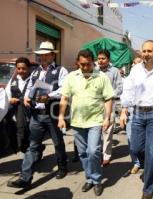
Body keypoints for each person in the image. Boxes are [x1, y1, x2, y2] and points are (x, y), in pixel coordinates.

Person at [7, 41, 68, 188]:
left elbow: (64, 90)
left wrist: (50, 96)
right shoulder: (35, 71)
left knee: (58, 143)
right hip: (36, 114)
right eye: (41, 55)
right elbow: (29, 87)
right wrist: (27, 96)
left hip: (52, 113)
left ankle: (62, 166)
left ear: (53, 55)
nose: (43, 57)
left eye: (46, 54)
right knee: (33, 145)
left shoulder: (61, 70)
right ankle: (25, 178)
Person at [120, 40, 153, 199]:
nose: (146, 54)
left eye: (149, 51)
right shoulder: (135, 70)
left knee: (152, 151)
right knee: (136, 148)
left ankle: (148, 188)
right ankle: (149, 166)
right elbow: (128, 90)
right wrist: (124, 110)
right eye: (144, 51)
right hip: (137, 113)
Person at [58, 49, 114, 196]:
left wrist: (107, 117)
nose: (85, 67)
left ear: (92, 62)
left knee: (93, 151)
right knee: (83, 153)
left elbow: (108, 98)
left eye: (88, 64)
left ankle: (96, 180)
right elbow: (64, 98)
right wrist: (61, 117)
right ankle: (89, 177)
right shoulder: (71, 77)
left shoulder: (101, 77)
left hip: (96, 120)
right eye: (82, 64)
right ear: (77, 62)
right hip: (77, 122)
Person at [95, 49, 122, 167]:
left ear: (108, 59)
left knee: (107, 131)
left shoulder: (115, 71)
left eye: (103, 58)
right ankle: (96, 153)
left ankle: (106, 156)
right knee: (95, 130)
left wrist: (108, 96)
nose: (100, 61)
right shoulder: (93, 71)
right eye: (99, 58)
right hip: (95, 106)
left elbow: (120, 88)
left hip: (109, 104)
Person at [5, 57, 32, 153]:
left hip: (29, 115)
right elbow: (6, 95)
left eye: (23, 68)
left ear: (29, 68)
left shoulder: (32, 80)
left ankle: (31, 157)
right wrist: (10, 100)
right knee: (19, 138)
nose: (21, 71)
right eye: (18, 68)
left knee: (28, 139)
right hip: (15, 115)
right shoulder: (13, 81)